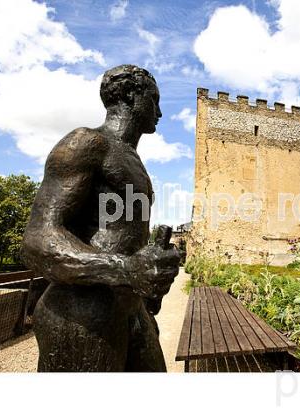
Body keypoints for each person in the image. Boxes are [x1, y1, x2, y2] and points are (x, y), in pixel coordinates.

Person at [21, 65, 180, 372]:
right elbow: (37, 238)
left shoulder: (132, 159)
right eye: (154, 99)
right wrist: (127, 268)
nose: (159, 111)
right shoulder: (87, 143)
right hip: (83, 313)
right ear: (132, 96)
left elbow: (126, 237)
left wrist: (154, 271)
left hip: (130, 308)